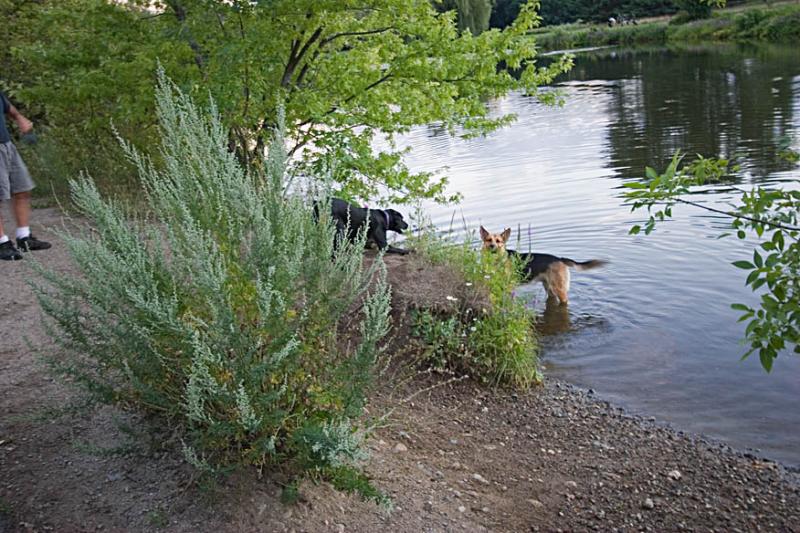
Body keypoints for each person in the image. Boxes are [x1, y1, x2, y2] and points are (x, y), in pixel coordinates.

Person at [0, 90, 50, 260]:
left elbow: (6, 106)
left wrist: (19, 117)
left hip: (6, 145)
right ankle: (2, 243)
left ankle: (24, 237)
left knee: (22, 189)